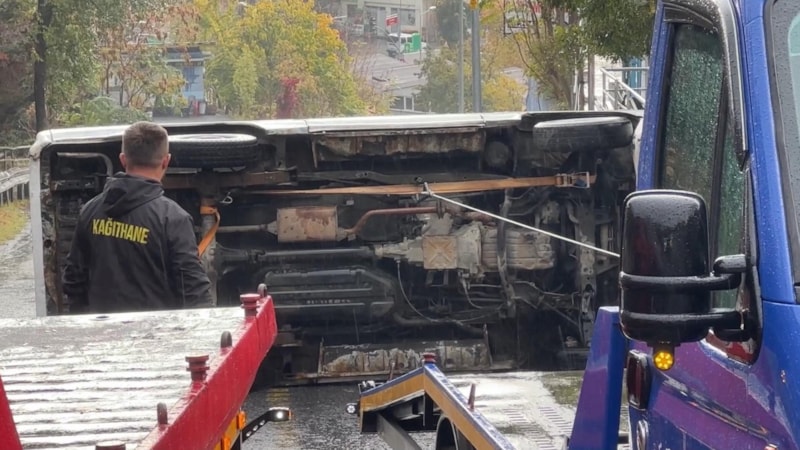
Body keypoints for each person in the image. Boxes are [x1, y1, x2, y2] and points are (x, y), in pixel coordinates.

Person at [62, 121, 213, 313]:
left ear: (123, 160)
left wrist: (87, 322)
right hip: (156, 330)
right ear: (166, 161)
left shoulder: (90, 211)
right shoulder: (173, 219)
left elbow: (73, 280)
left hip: (102, 329)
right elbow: (193, 291)